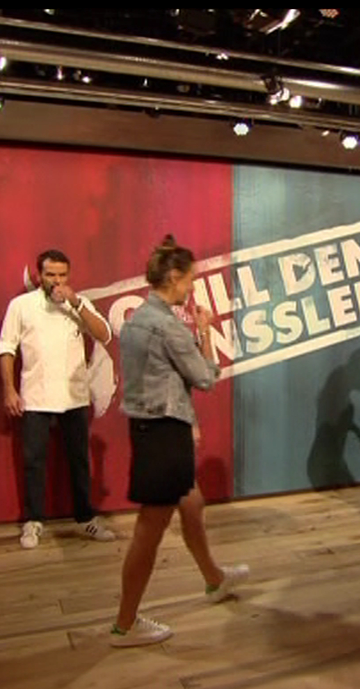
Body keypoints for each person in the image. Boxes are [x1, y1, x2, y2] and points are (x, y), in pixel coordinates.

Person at [109, 235, 249, 648]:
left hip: (152, 429)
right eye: (190, 279)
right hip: (164, 434)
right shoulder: (167, 327)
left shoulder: (137, 319)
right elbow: (205, 377)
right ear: (173, 277)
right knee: (149, 532)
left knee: (192, 503)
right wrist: (205, 333)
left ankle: (214, 578)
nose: (192, 287)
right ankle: (124, 625)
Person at [0, 249, 117, 549]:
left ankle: (86, 518)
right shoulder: (21, 305)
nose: (57, 281)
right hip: (35, 396)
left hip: (74, 397)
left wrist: (76, 303)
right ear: (39, 276)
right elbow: (6, 348)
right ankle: (33, 521)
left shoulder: (79, 303)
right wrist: (9, 390)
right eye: (50, 275)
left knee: (79, 461)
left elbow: (104, 335)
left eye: (62, 275)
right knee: (33, 461)